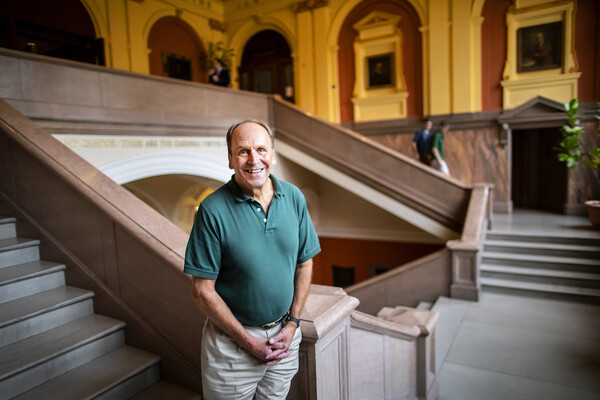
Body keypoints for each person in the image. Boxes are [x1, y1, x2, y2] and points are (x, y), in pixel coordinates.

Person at [184, 120, 321, 400]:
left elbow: (304, 263)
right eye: (243, 151)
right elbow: (201, 291)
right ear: (231, 160)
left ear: (272, 154)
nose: (254, 159)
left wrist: (293, 323)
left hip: (285, 339)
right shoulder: (212, 210)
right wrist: (248, 342)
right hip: (231, 349)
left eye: (261, 149)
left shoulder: (293, 197)